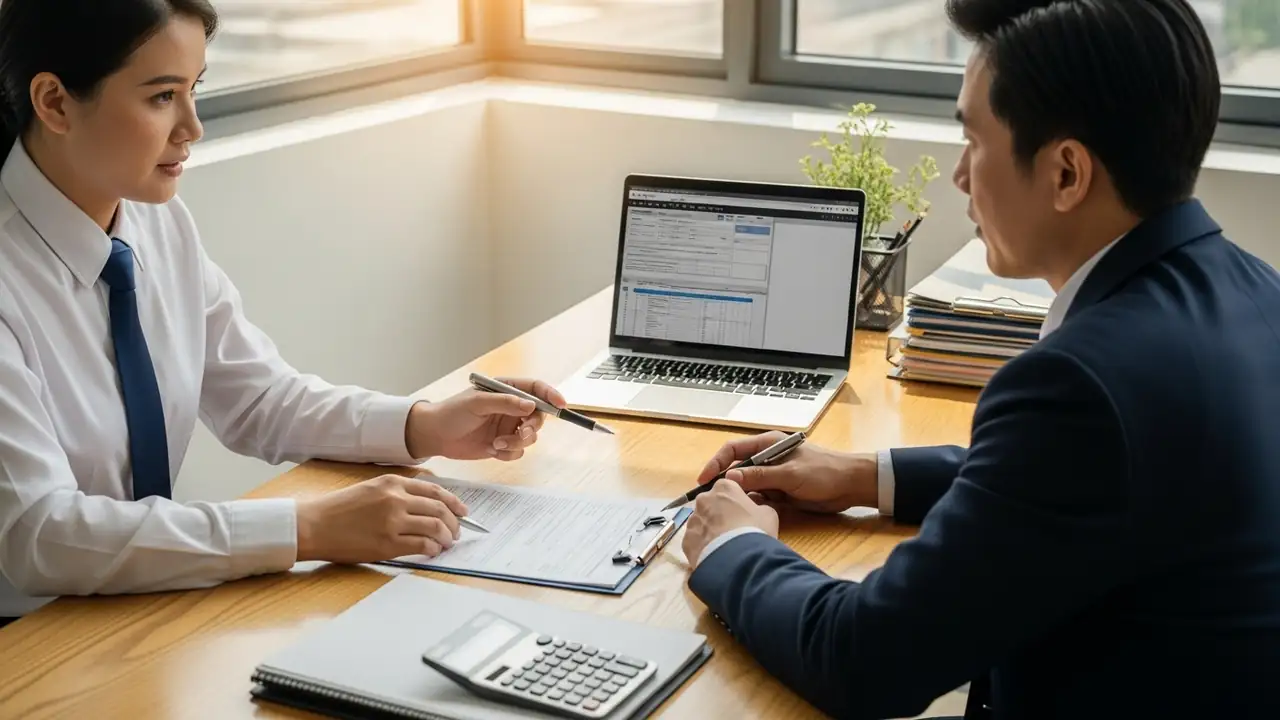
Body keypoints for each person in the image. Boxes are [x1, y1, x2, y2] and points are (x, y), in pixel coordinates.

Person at [680, 1, 1280, 718]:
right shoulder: (1254, 292)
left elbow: (867, 659)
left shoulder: (1078, 386)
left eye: (974, 139)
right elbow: (1090, 483)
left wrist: (735, 548)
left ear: (1066, 173)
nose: (961, 175)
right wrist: (866, 476)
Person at [0, 0, 566, 624]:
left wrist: (424, 426)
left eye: (194, 90)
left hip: (137, 610)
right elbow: (39, 535)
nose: (193, 127)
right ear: (53, 102)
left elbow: (257, 398)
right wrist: (306, 527)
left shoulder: (158, 223)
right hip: (28, 641)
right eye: (162, 97)